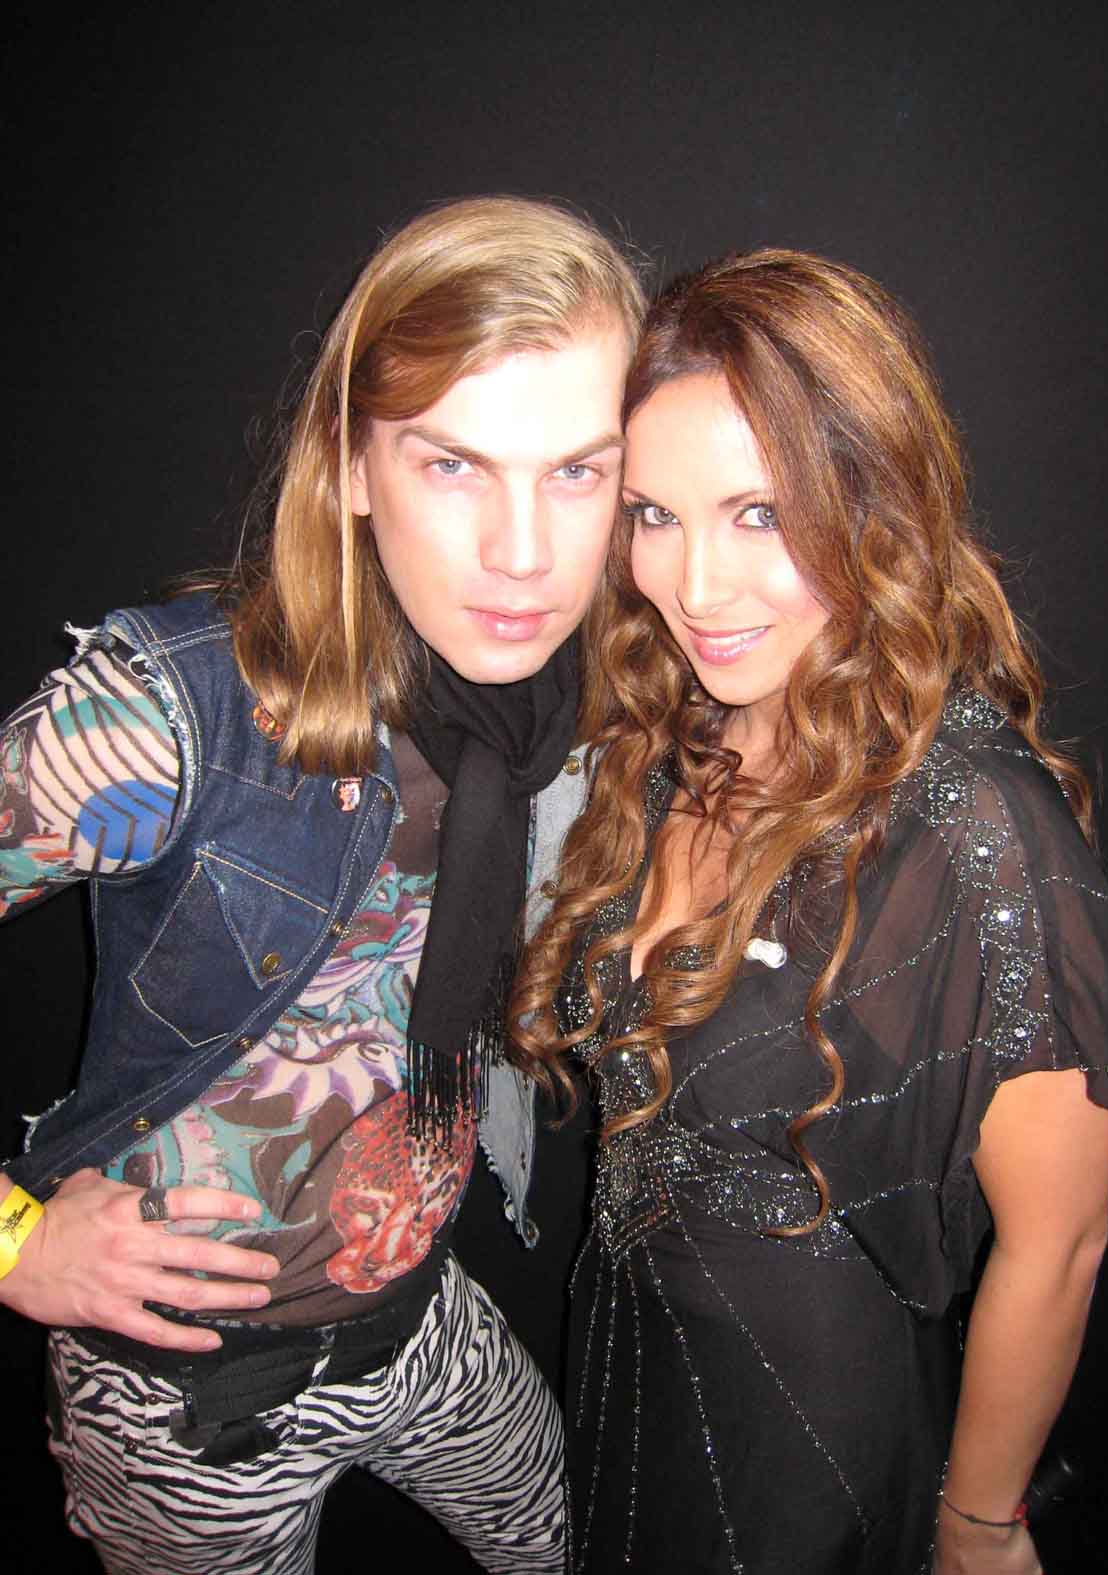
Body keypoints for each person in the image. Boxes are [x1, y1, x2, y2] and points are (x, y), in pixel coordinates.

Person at [0, 195, 644, 1575]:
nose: (524, 554)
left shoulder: (568, 706)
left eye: (577, 472)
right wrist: (5, 1240)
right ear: (352, 463)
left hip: (418, 1320)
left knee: (571, 1546)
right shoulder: (172, 717)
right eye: (453, 465)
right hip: (185, 1393)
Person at [510, 250, 1108, 1574]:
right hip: (620, 1370)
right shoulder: (675, 744)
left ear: (872, 500)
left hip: (806, 1444)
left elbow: (1059, 1239)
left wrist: (977, 1527)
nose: (695, 586)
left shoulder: (970, 821)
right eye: (654, 515)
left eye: (759, 513)